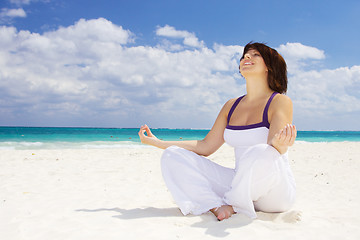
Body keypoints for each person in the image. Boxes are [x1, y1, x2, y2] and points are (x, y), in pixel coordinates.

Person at [138, 42, 296, 221]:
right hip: (239, 184)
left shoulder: (279, 101)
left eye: (255, 55)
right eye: (245, 55)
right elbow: (206, 146)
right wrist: (157, 142)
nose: (247, 57)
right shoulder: (231, 106)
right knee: (172, 155)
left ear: (269, 66)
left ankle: (233, 204)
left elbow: (274, 151)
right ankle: (215, 205)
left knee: (261, 151)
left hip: (274, 192)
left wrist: (280, 144)